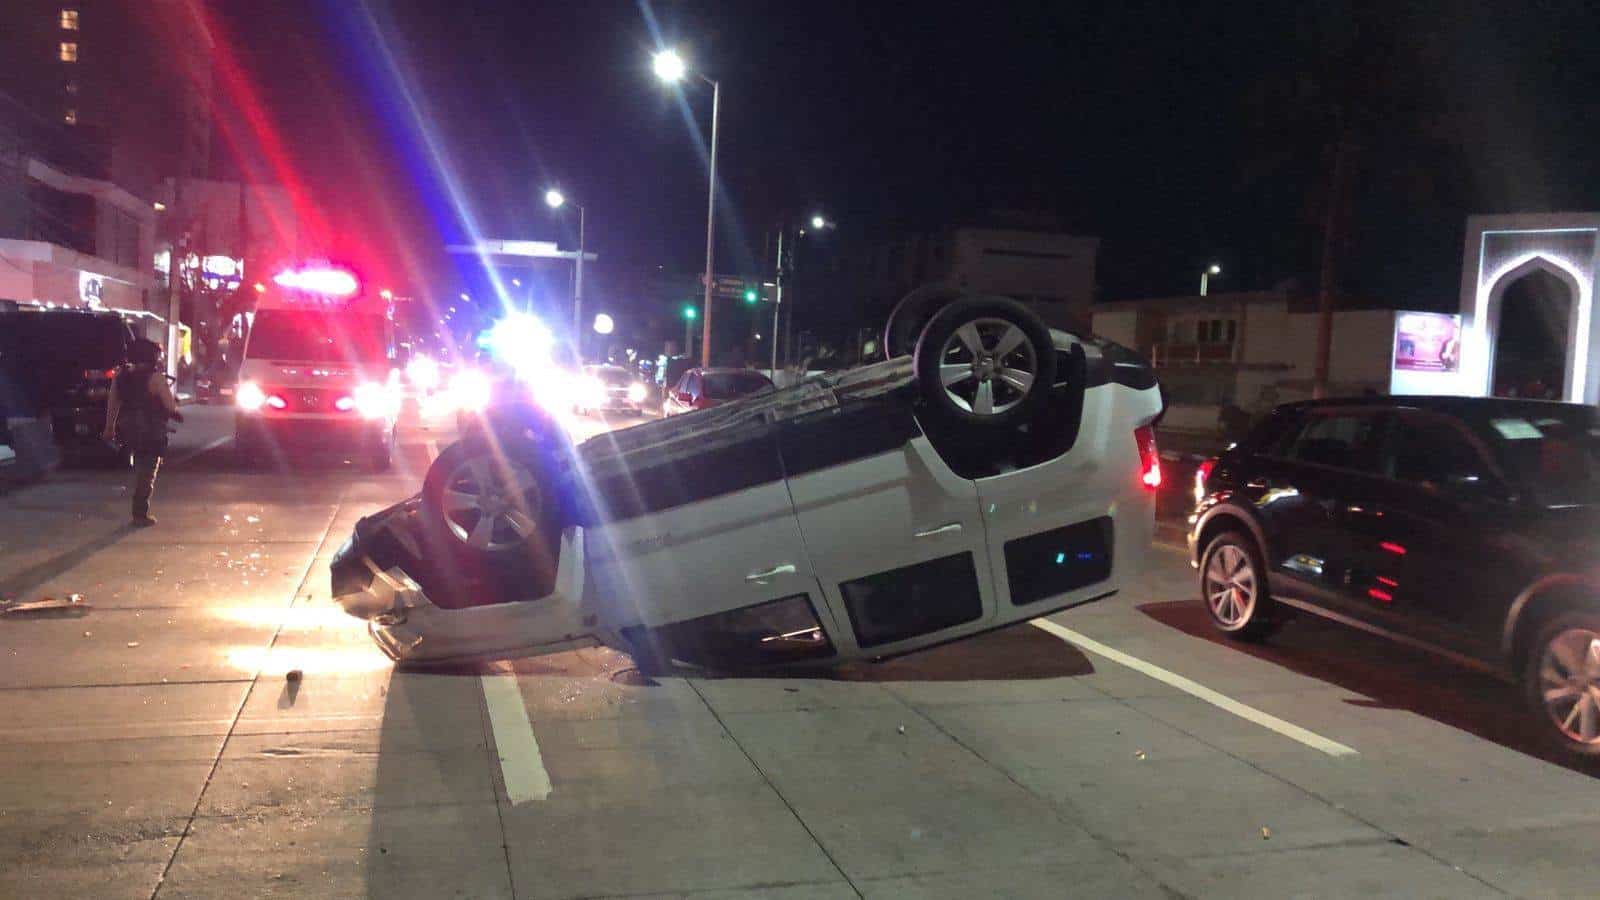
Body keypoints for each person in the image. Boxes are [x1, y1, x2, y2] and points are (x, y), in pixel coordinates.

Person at [102, 339, 183, 526]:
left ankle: (139, 510)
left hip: (129, 429)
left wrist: (109, 427)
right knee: (147, 473)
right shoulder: (156, 378)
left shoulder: (121, 377)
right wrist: (175, 410)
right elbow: (170, 407)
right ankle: (140, 513)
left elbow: (113, 404)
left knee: (141, 467)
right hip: (152, 431)